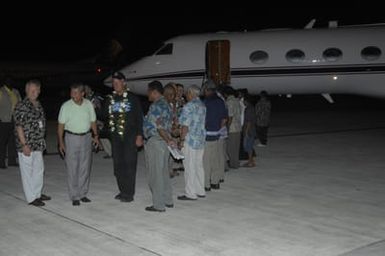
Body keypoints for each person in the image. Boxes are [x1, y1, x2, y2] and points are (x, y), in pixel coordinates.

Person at [57, 83, 99, 206]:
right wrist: (61, 142)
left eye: (75, 93)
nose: (72, 95)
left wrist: (96, 136)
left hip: (86, 137)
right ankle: (74, 196)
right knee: (72, 167)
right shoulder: (66, 106)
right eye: (71, 92)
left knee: (85, 167)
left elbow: (93, 121)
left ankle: (83, 193)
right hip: (71, 137)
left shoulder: (88, 105)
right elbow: (60, 127)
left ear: (82, 94)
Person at [104, 71, 143, 202]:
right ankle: (122, 190)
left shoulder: (132, 98)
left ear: (123, 82)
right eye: (113, 83)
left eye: (117, 82)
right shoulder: (110, 99)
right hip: (115, 138)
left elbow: (139, 118)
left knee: (129, 164)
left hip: (130, 137)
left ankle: (129, 193)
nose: (115, 85)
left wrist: (139, 135)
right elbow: (104, 116)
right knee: (118, 165)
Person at [14, 80, 51, 206]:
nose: (35, 93)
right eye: (32, 90)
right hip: (27, 145)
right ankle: (31, 198)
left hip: (38, 144)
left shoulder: (38, 104)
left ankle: (37, 193)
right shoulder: (22, 105)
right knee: (28, 172)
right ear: (26, 91)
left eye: (37, 90)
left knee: (39, 170)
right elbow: (19, 126)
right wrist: (24, 145)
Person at [143, 80, 174, 212]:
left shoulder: (156, 106)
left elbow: (160, 127)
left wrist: (168, 139)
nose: (147, 94)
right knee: (164, 173)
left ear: (154, 92)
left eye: (148, 92)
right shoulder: (167, 104)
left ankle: (158, 205)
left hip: (156, 141)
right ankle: (168, 200)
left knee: (155, 175)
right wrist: (169, 140)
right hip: (164, 143)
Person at [178, 85, 206, 200]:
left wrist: (181, 140)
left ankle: (190, 193)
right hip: (200, 140)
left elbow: (185, 125)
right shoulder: (202, 105)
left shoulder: (189, 106)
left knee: (189, 167)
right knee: (198, 165)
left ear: (191, 93)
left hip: (190, 140)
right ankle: (200, 190)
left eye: (186, 93)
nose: (185, 95)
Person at [202, 80, 228, 191]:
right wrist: (218, 129)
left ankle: (206, 184)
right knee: (216, 159)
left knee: (206, 161)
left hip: (207, 135)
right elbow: (224, 119)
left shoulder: (205, 102)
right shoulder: (220, 101)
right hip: (217, 134)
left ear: (207, 90)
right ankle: (215, 182)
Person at [0, 77, 21, 168]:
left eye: (11, 80)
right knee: (2, 142)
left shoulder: (16, 92)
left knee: (13, 141)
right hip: (4, 119)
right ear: (4, 82)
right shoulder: (1, 91)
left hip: (14, 119)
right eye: (8, 80)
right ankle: (1, 162)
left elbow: (20, 103)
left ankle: (12, 161)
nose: (10, 81)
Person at [223, 86, 242, 169]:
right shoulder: (237, 101)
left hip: (232, 128)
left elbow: (230, 117)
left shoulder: (229, 101)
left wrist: (227, 128)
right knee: (235, 148)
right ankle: (235, 163)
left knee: (230, 148)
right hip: (238, 127)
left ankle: (233, 164)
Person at [242, 96, 257, 167]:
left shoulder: (248, 109)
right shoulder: (252, 108)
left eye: (244, 100)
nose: (243, 102)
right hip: (252, 129)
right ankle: (251, 160)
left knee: (248, 146)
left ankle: (251, 162)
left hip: (249, 130)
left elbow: (249, 122)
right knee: (249, 146)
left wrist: (246, 132)